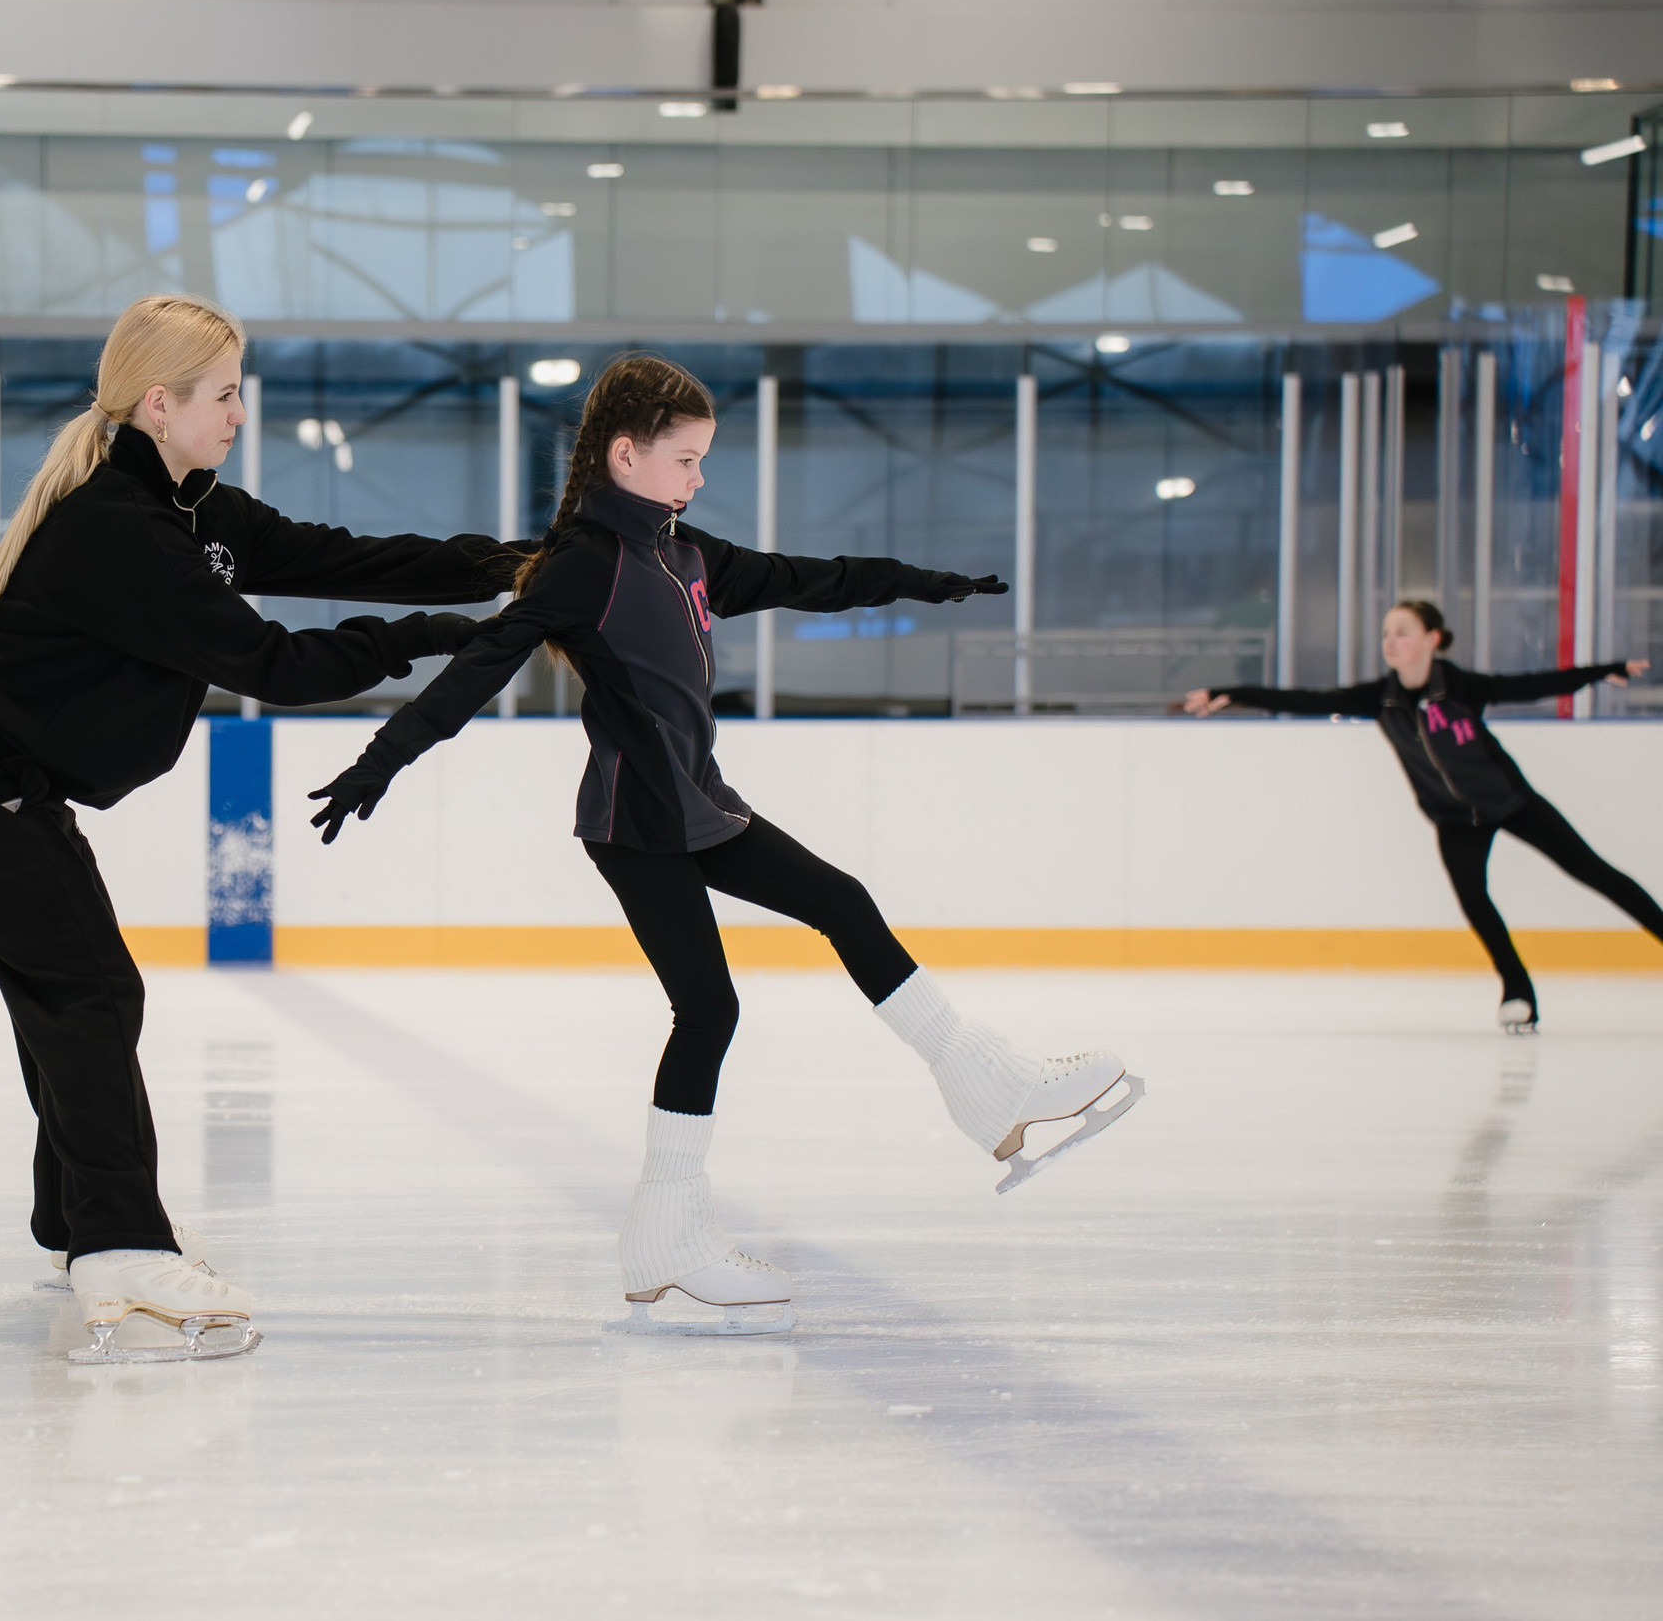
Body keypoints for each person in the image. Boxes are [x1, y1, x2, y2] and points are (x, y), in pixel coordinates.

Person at [307, 354, 1144, 1335]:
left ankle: (984, 1085)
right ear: (625, 455)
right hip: (636, 823)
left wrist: (927, 582)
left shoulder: (682, 552)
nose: (698, 477)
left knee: (840, 901)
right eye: (685, 459)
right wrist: (382, 756)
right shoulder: (586, 565)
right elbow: (482, 664)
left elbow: (809, 578)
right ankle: (668, 1236)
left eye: (703, 460)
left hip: (698, 805)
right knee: (708, 1008)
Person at [0, 293, 519, 1364]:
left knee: (75, 989)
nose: (237, 413)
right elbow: (273, 663)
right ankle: (121, 1245)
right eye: (222, 394)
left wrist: (513, 566)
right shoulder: (113, 529)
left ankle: (77, 1219)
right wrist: (426, 637)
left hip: (3, 783)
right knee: (88, 988)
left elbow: (338, 558)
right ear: (158, 402)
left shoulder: (195, 512)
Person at [1186, 599, 1654, 1031]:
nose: (1391, 641)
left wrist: (1603, 671)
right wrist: (1232, 692)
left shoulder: (1462, 688)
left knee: (1596, 873)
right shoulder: (1379, 699)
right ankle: (1518, 991)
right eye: (1386, 633)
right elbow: (1307, 700)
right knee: (1475, 901)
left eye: (1403, 632)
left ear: (1433, 638)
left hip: (1511, 802)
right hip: (1454, 820)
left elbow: (1532, 685)